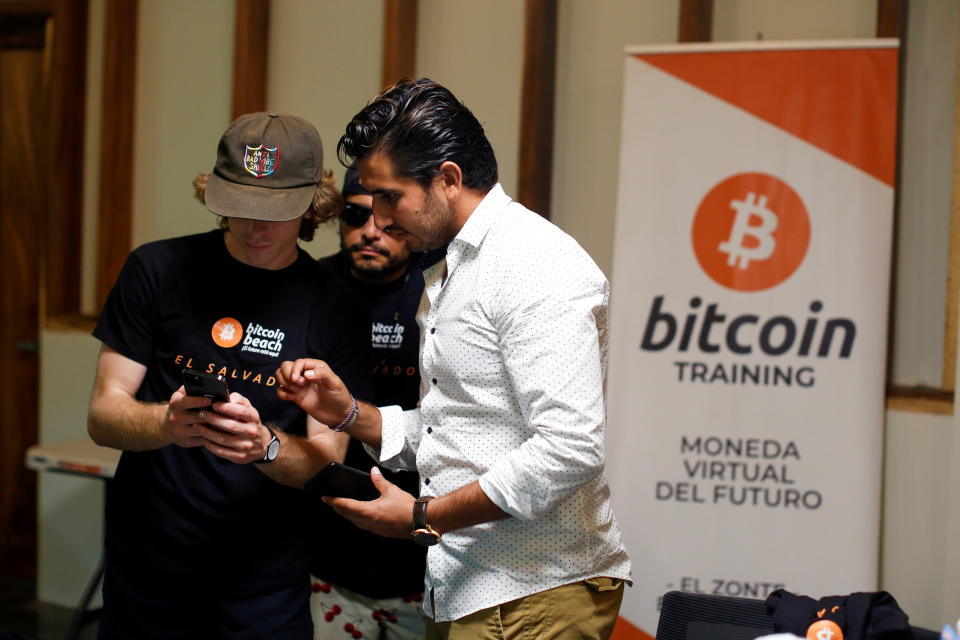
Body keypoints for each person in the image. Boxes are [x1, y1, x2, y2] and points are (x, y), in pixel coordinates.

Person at [276, 78, 632, 640]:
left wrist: (422, 517)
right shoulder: (457, 265)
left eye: (391, 197)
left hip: (533, 590)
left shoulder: (533, 266)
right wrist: (349, 413)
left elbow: (570, 448)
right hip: (470, 582)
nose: (381, 219)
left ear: (447, 179)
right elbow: (463, 429)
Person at [87, 112, 369, 639]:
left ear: (313, 203)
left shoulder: (335, 305)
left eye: (274, 211)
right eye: (239, 208)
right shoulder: (157, 268)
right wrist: (167, 425)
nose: (254, 228)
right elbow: (103, 416)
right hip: (147, 571)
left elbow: (326, 462)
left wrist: (261, 445)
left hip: (262, 583)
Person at [309, 168, 431, 639]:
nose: (371, 230)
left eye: (389, 218)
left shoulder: (441, 291)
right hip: (329, 551)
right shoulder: (312, 286)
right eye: (356, 215)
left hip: (423, 543)